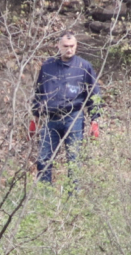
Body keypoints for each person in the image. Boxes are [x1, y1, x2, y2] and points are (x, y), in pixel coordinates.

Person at [31, 31, 102, 184]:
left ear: (76, 46)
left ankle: (73, 196)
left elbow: (94, 94)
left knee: (74, 161)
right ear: (58, 46)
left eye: (72, 46)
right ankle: (45, 194)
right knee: (43, 160)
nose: (69, 49)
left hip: (74, 117)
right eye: (65, 46)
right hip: (51, 118)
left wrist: (94, 119)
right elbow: (39, 92)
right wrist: (35, 117)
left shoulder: (84, 66)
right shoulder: (47, 66)